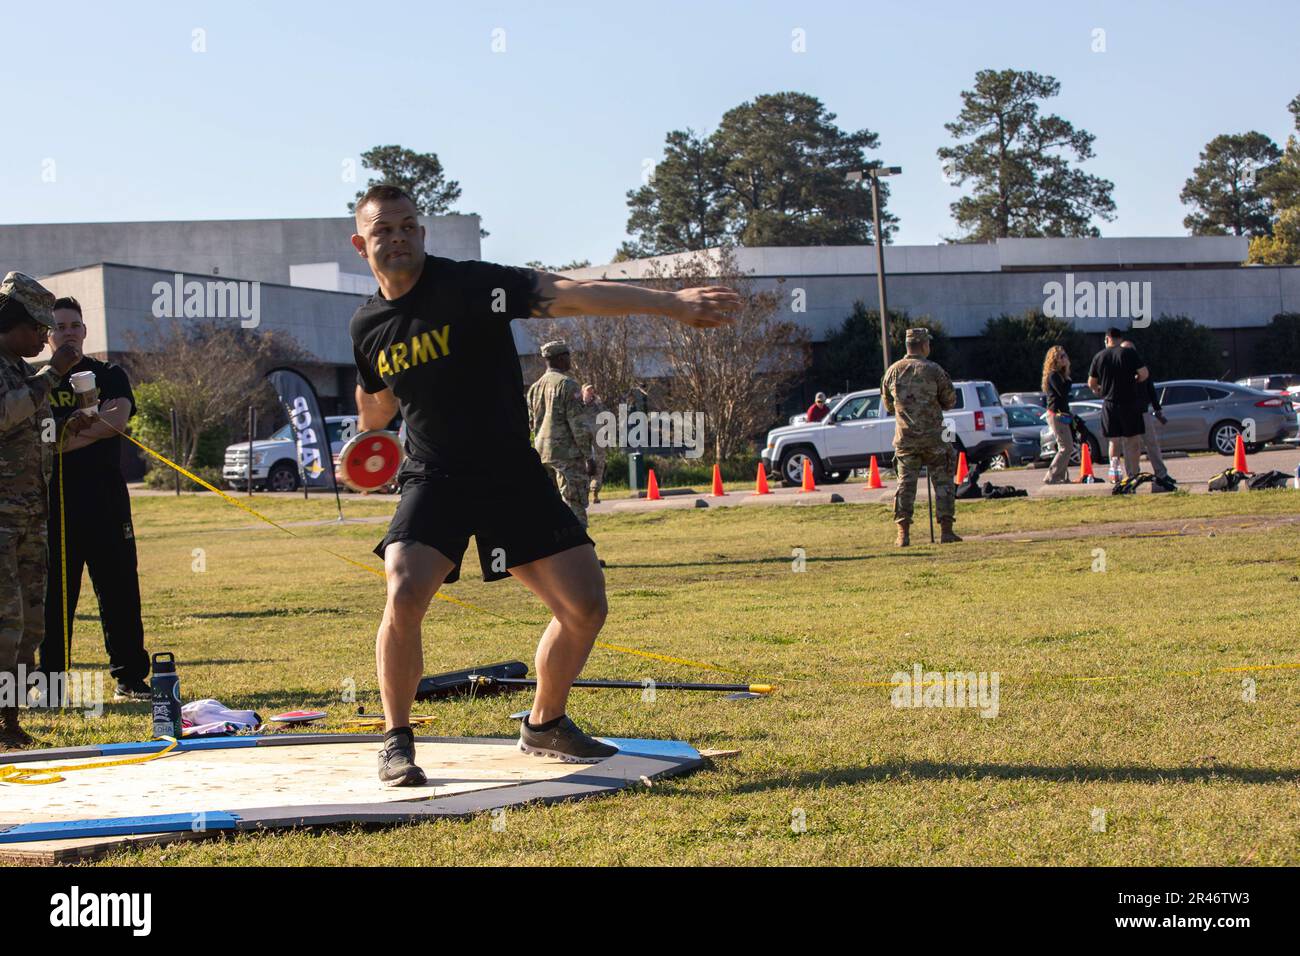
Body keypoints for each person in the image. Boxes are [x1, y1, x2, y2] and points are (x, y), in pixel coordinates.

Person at [348, 184, 739, 785]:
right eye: (383, 231)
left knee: (584, 606)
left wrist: (670, 302)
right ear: (362, 244)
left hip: (511, 471)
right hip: (435, 477)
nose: (396, 238)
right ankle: (397, 739)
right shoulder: (368, 326)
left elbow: (573, 294)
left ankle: (545, 723)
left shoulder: (474, 285)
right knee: (403, 592)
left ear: (422, 234)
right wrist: (365, 437)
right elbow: (375, 403)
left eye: (407, 226)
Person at [40, 297, 152, 700]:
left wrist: (67, 434)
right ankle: (51, 683)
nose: (67, 331)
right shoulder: (40, 381)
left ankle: (130, 678)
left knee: (120, 588)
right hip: (56, 504)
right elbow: (38, 440)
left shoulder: (109, 373)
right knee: (55, 596)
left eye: (74, 325)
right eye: (59, 326)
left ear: (84, 331)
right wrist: (88, 426)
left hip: (106, 500)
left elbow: (117, 422)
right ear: (47, 334)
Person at [0, 273, 84, 748]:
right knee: (4, 623)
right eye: (35, 327)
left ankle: (9, 721)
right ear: (10, 324)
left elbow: (35, 438)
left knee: (31, 624)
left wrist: (74, 427)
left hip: (31, 518)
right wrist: (52, 373)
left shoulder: (18, 369)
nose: (42, 337)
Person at [882, 328, 959, 546]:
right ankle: (946, 531)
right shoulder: (934, 370)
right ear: (924, 345)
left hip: (906, 440)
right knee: (943, 484)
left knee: (905, 486)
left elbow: (888, 405)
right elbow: (950, 401)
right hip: (935, 438)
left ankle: (903, 534)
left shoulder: (893, 371)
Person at [527, 341, 595, 527]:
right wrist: (589, 457)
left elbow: (532, 424)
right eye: (568, 356)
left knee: (551, 508)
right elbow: (578, 425)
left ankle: (557, 554)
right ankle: (581, 554)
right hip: (568, 456)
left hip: (543, 455)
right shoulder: (567, 385)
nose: (570, 360)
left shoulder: (534, 388)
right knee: (574, 504)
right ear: (560, 358)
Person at [1087, 327, 1149, 480]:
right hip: (1129, 402)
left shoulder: (1099, 356)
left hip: (1109, 404)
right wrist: (1134, 381)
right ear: (1120, 339)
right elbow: (1144, 374)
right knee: (1132, 441)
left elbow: (1091, 383)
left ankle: (1115, 473)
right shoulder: (1129, 353)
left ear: (1107, 339)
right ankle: (1133, 473)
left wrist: (1099, 389)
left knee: (1113, 441)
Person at [1120, 339, 1174, 492]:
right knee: (1131, 446)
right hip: (1127, 413)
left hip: (1143, 411)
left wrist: (1157, 408)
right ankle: (1132, 476)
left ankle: (1162, 474)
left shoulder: (1142, 369)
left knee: (1152, 443)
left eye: (1130, 351)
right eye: (1124, 352)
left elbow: (1150, 389)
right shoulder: (1118, 372)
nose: (1127, 355)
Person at [1041, 346, 1074, 484]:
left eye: (1065, 355)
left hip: (1061, 414)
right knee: (1065, 446)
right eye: (1061, 357)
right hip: (1056, 414)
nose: (1065, 359)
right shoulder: (1053, 375)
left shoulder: (1060, 375)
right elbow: (1063, 392)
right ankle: (1052, 476)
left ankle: (1060, 476)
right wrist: (1068, 377)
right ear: (1054, 360)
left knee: (1067, 446)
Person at [581, 384, 606, 503]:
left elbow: (606, 415)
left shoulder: (597, 404)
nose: (590, 393)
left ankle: (595, 493)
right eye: (588, 391)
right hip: (583, 438)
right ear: (583, 392)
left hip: (598, 436)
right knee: (584, 464)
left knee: (599, 463)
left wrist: (598, 401)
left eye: (592, 391)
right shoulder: (578, 404)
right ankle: (584, 492)